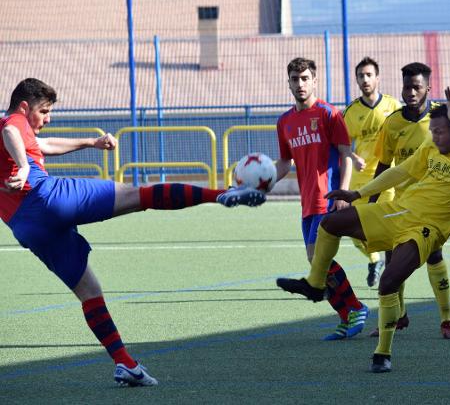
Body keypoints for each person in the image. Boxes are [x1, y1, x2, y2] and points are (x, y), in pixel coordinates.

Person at [0, 78, 265, 387]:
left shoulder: (20, 134)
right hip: (47, 198)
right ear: (23, 106)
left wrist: (90, 142)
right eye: (44, 111)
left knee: (89, 290)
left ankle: (125, 364)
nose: (49, 118)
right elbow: (12, 130)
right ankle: (220, 194)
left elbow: (39, 144)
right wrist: (24, 167)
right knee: (138, 196)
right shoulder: (12, 121)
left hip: (26, 227)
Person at [277, 87, 450, 372]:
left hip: (426, 230)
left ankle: (383, 353)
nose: (435, 136)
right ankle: (316, 285)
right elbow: (401, 171)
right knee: (329, 225)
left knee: (388, 282)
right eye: (434, 131)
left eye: (441, 131)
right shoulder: (431, 146)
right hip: (396, 212)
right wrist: (359, 193)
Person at [273, 58, 369, 341]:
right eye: (295, 79)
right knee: (315, 261)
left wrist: (344, 193)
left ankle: (355, 308)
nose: (300, 84)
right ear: (288, 82)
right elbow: (283, 163)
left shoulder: (329, 114)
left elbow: (345, 155)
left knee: (318, 261)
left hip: (327, 200)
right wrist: (261, 184)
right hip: (306, 203)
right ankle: (347, 316)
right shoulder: (285, 122)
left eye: (305, 78)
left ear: (315, 81)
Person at [367, 62, 450, 340]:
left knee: (434, 254)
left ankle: (447, 320)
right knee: (391, 258)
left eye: (417, 87)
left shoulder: (440, 120)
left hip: (433, 205)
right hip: (401, 205)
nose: (410, 92)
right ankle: (399, 316)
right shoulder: (393, 123)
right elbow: (384, 166)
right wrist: (372, 200)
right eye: (407, 86)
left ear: (428, 89)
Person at [343, 56, 401, 287]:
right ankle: (374, 260)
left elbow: (406, 133)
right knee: (353, 227)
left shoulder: (393, 106)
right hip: (360, 181)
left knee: (387, 227)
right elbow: (343, 146)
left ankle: (392, 278)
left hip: (387, 178)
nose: (365, 80)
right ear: (356, 80)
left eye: (369, 75)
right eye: (361, 76)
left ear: (378, 78)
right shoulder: (351, 112)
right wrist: (354, 157)